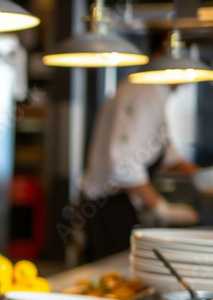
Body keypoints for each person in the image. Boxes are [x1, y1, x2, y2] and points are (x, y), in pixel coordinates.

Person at [80, 67, 200, 261]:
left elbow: (161, 153)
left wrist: (202, 176)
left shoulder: (149, 90)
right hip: (108, 208)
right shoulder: (145, 92)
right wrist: (161, 209)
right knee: (114, 279)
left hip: (117, 206)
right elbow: (122, 166)